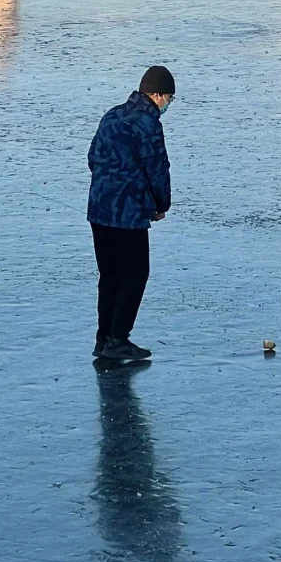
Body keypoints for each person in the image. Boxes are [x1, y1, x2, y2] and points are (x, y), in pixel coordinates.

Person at [86, 65, 174, 363]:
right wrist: (161, 205)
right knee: (135, 274)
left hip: (99, 211)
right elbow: (157, 169)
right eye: (169, 99)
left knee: (109, 275)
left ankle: (104, 338)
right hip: (128, 214)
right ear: (158, 95)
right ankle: (118, 339)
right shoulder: (148, 124)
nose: (167, 105)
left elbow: (92, 157)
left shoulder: (111, 114)